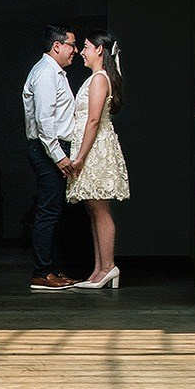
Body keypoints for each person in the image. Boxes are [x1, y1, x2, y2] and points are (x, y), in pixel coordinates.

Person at [64, 33, 130, 288]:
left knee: (100, 209)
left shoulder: (99, 79)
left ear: (99, 50)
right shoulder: (95, 78)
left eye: (86, 47)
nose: (82, 52)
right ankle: (98, 269)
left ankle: (108, 267)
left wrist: (80, 157)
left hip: (95, 149)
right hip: (90, 147)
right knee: (93, 208)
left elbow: (93, 120)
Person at [22, 26, 81, 291]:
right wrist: (58, 156)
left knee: (55, 212)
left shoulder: (54, 73)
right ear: (57, 46)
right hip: (48, 151)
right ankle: (42, 273)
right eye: (72, 44)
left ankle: (53, 270)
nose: (75, 50)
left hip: (53, 150)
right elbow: (44, 120)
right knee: (48, 212)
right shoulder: (46, 74)